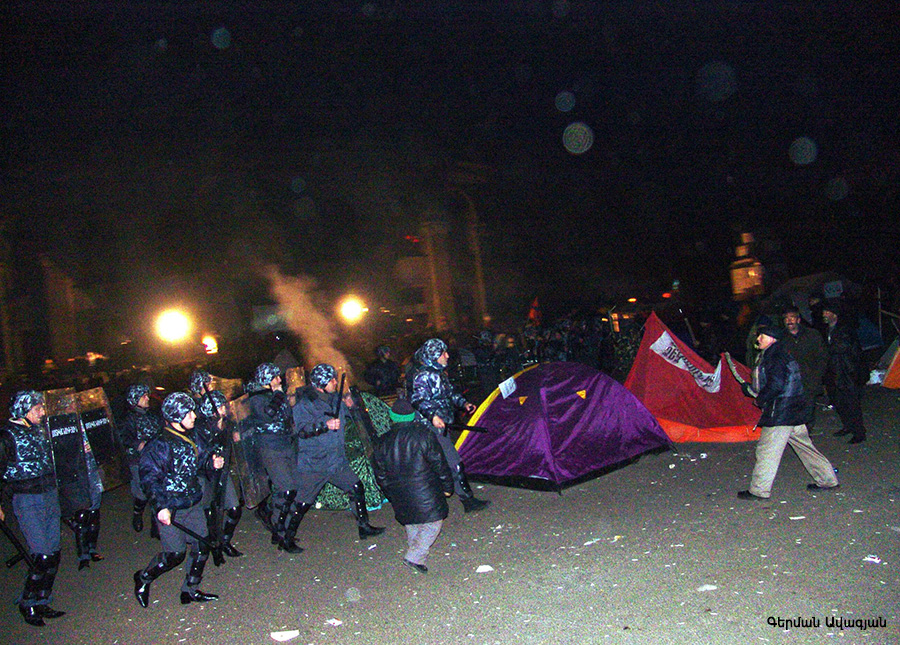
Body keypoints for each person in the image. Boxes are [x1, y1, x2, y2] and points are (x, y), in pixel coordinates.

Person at [134, 392, 224, 607]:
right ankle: (143, 578)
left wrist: (212, 463)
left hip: (192, 502)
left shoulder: (192, 436)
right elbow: (149, 478)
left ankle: (190, 590)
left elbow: (200, 461)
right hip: (171, 507)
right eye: (188, 412)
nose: (194, 416)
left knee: (201, 547)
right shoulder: (159, 445)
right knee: (174, 555)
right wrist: (160, 506)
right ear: (176, 416)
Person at [737, 321, 840, 500]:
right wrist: (752, 390)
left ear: (771, 338)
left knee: (766, 450)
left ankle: (759, 490)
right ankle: (827, 479)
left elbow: (776, 385)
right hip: (793, 409)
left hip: (782, 411)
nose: (758, 339)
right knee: (804, 447)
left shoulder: (775, 356)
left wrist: (760, 398)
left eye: (762, 335)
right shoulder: (778, 353)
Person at [291, 363, 385, 545]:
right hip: (315, 463)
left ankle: (363, 526)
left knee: (356, 487)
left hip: (336, 460)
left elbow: (349, 417)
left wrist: (351, 406)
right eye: (331, 379)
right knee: (303, 502)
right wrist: (324, 425)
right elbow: (300, 430)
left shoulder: (335, 399)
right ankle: (286, 537)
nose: (335, 382)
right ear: (321, 382)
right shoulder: (305, 404)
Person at [0, 391, 66, 626]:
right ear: (23, 410)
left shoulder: (39, 429)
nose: (42, 412)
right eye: (37, 408)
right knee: (43, 554)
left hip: (48, 493)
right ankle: (27, 602)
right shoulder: (6, 435)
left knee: (54, 553)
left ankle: (42, 599)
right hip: (27, 499)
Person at [372, 399, 454, 574]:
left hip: (398, 491)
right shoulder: (423, 435)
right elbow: (439, 463)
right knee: (433, 522)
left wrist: (389, 492)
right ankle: (414, 556)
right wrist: (447, 485)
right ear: (412, 416)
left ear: (392, 417)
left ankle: (415, 550)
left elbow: (380, 473)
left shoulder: (381, 442)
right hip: (424, 489)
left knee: (412, 521)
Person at [409, 338, 490, 513]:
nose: (447, 356)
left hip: (441, 425)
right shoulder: (424, 376)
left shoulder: (439, 374)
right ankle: (466, 500)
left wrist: (464, 403)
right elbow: (418, 399)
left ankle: (456, 498)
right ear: (434, 356)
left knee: (442, 463)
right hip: (430, 427)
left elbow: (450, 394)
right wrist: (432, 416)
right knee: (454, 463)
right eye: (443, 353)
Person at [244, 362, 299, 551]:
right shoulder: (257, 399)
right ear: (266, 380)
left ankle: (280, 529)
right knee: (287, 488)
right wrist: (278, 393)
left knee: (291, 488)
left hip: (286, 445)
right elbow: (269, 413)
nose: (279, 380)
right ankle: (282, 533)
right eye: (275, 377)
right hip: (271, 448)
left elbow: (286, 416)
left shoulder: (277, 396)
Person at [195, 390, 243, 558]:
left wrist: (235, 435)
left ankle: (225, 541)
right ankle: (211, 543)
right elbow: (197, 454)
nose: (226, 408)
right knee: (208, 512)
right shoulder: (199, 428)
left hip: (222, 473)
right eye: (222, 406)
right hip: (204, 476)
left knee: (235, 509)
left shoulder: (227, 424)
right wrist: (210, 460)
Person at [119, 384, 162, 533]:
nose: (147, 398)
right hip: (137, 460)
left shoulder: (152, 416)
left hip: (154, 460)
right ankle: (138, 513)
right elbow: (123, 437)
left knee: (156, 490)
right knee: (142, 493)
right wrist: (137, 444)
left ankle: (156, 524)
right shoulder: (128, 419)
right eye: (143, 396)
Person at [822, 301, 867, 444]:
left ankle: (859, 432)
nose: (824, 315)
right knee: (839, 402)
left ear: (834, 314)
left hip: (847, 372)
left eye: (827, 312)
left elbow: (843, 347)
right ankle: (848, 426)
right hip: (834, 372)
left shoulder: (844, 329)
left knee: (852, 402)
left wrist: (825, 351)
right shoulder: (827, 330)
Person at [781, 305, 828, 433]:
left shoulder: (812, 335)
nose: (789, 321)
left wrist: (817, 376)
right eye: (786, 318)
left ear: (798, 319)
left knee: (808, 409)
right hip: (790, 382)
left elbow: (822, 357)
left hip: (809, 379)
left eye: (792, 318)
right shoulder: (781, 338)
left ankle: (807, 433)